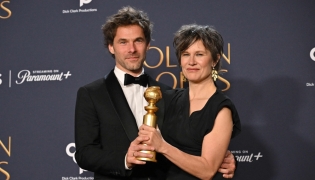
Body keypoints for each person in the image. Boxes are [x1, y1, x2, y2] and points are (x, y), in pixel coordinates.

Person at [74, 6, 237, 180]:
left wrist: (221, 157)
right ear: (111, 47)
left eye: (138, 41)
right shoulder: (91, 94)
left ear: (148, 45)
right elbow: (84, 153)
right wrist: (124, 160)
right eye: (123, 42)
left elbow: (189, 140)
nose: (132, 49)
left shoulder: (169, 94)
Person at [138, 24, 241, 179]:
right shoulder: (168, 99)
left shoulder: (221, 108)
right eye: (186, 54)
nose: (191, 62)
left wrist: (162, 147)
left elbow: (207, 170)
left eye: (199, 54)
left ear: (215, 59)